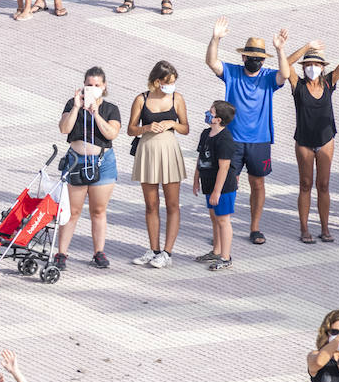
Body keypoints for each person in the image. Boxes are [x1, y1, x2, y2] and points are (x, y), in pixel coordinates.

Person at [205, 19, 287, 244]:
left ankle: (255, 227)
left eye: (259, 59)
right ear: (243, 57)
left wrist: (280, 50)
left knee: (258, 183)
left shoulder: (269, 76)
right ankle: (224, 227)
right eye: (251, 59)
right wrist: (216, 38)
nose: (255, 62)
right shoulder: (232, 72)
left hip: (260, 140)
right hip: (232, 139)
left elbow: (285, 75)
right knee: (229, 182)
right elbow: (212, 62)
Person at [278, 29, 339, 243]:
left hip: (326, 141)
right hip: (303, 141)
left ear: (323, 68)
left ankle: (325, 228)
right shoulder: (298, 85)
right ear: (304, 68)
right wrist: (306, 47)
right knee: (305, 184)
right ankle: (304, 229)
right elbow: (285, 66)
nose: (312, 68)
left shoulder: (328, 83)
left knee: (323, 185)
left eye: (317, 65)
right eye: (308, 65)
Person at [54, 68, 122, 270]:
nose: (93, 89)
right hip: (76, 161)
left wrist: (96, 114)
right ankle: (61, 253)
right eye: (89, 85)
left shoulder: (110, 108)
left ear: (104, 86)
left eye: (97, 85)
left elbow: (111, 134)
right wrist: (77, 108)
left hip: (102, 163)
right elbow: (64, 128)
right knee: (72, 211)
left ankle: (98, 252)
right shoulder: (71, 103)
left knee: (98, 210)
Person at [127, 60, 189, 268]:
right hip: (148, 152)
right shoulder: (141, 99)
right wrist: (146, 127)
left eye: (173, 81)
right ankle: (153, 249)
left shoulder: (177, 98)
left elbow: (186, 128)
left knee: (172, 204)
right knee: (151, 204)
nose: (172, 85)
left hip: (169, 151)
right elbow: (130, 129)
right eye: (168, 82)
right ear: (157, 81)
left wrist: (173, 124)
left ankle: (167, 252)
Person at [194, 99, 238, 270]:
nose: (207, 113)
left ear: (218, 119)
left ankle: (225, 257)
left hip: (223, 187)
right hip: (208, 183)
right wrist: (196, 179)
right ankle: (216, 251)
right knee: (215, 218)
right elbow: (200, 157)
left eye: (210, 112)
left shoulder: (225, 139)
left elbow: (224, 167)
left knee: (223, 220)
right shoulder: (206, 133)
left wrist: (217, 192)